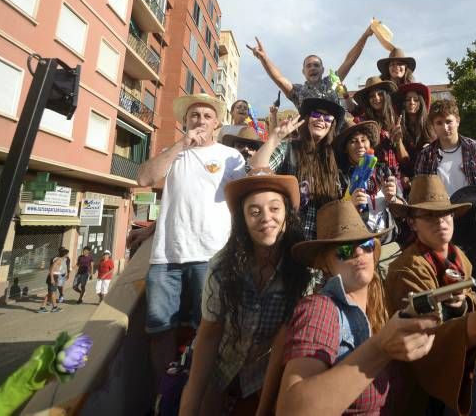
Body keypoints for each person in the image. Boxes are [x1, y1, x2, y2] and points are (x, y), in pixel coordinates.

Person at [276, 199, 438, 414]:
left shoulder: (382, 303)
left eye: (366, 245)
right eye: (344, 250)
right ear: (325, 263)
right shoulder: (319, 308)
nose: (359, 253)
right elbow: (291, 410)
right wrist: (380, 348)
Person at [386, 175, 476, 413]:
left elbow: (469, 298)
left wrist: (461, 305)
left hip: (467, 362)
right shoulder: (405, 269)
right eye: (429, 215)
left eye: (445, 213)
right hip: (431, 386)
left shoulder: (459, 257)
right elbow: (420, 340)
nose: (440, 221)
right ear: (413, 223)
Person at [136, 93, 246, 383]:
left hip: (211, 256)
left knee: (208, 330)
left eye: (207, 116)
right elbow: (144, 179)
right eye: (194, 116)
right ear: (185, 121)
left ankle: (199, 393)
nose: (200, 120)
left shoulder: (230, 156)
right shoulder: (173, 152)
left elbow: (243, 201)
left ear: (217, 123)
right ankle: (165, 395)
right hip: (165, 258)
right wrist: (181, 145)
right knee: (160, 330)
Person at [179, 174, 311, 415]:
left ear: (287, 216)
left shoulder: (303, 271)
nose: (266, 218)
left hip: (267, 371)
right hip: (222, 363)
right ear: (243, 219)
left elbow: (283, 343)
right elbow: (209, 335)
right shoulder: (222, 267)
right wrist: (190, 404)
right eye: (254, 211)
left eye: (274, 208)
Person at [414, 97, 476, 240]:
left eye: (449, 121)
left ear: (457, 121)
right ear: (433, 126)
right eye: (439, 123)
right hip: (446, 225)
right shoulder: (425, 156)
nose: (445, 127)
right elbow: (421, 197)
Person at [249, 97, 343, 240]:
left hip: (321, 244)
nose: (321, 120)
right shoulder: (289, 148)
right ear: (306, 119)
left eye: (328, 117)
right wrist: (276, 137)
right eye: (316, 115)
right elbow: (255, 171)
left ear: (332, 124)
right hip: (287, 241)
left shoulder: (334, 159)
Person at [247, 25, 374, 108]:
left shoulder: (332, 82)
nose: (312, 68)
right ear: (303, 71)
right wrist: (263, 58)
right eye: (308, 66)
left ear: (322, 70)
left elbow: (349, 60)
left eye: (316, 65)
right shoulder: (297, 91)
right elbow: (279, 78)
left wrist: (365, 35)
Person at [333, 121, 403, 239]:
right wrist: (350, 206)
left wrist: (393, 199)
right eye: (353, 141)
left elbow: (404, 210)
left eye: (363, 140)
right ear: (346, 148)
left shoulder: (384, 171)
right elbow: (334, 219)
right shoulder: (340, 177)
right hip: (359, 246)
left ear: (370, 143)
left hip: (389, 242)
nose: (360, 145)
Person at [352, 76, 402, 175]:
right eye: (372, 96)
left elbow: (403, 158)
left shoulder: (396, 120)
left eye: (380, 94)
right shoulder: (360, 122)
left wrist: (398, 141)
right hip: (371, 177)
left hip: (395, 176)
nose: (376, 98)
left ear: (386, 96)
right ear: (367, 100)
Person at [393, 82, 434, 187]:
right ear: (403, 103)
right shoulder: (397, 125)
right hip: (405, 180)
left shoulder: (430, 124)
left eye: (415, 99)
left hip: (427, 179)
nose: (411, 102)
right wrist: (398, 141)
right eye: (408, 100)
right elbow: (403, 162)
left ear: (421, 103)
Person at [38, 247, 69, 313]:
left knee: (50, 293)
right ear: (64, 254)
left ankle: (42, 307)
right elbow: (51, 269)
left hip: (55, 276)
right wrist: (52, 279)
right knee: (53, 293)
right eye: (67, 254)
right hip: (53, 277)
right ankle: (54, 307)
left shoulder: (61, 259)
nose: (67, 255)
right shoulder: (58, 260)